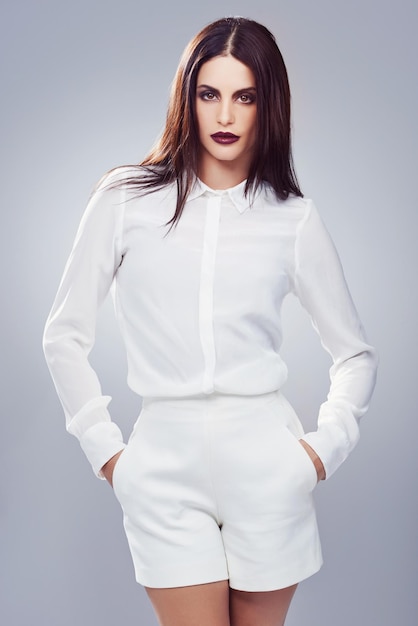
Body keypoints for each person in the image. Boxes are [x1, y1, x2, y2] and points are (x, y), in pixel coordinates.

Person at [43, 16, 378, 626]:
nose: (225, 115)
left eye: (244, 96)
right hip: (161, 471)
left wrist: (318, 454)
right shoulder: (123, 201)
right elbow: (63, 335)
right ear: (187, 98)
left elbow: (354, 355)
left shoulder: (292, 219)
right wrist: (111, 457)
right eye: (209, 94)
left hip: (269, 471)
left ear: (266, 104)